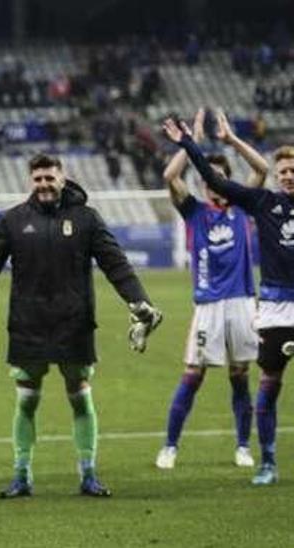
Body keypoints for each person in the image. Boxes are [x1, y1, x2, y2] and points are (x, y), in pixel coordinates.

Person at [0, 153, 162, 498]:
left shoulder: (87, 219)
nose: (43, 184)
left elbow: (116, 264)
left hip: (75, 324)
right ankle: (21, 476)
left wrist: (137, 299)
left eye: (49, 178)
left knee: (80, 399)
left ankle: (88, 474)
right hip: (28, 325)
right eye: (38, 179)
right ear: (31, 181)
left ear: (62, 178)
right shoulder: (14, 221)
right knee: (26, 401)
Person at [164, 115, 294, 486]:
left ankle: (249, 449)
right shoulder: (261, 202)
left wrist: (231, 140)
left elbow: (257, 168)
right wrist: (193, 143)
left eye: (292, 170)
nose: (286, 175)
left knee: (248, 378)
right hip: (272, 308)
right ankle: (267, 461)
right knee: (268, 382)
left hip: (246, 303)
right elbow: (213, 178)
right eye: (283, 171)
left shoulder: (247, 207)